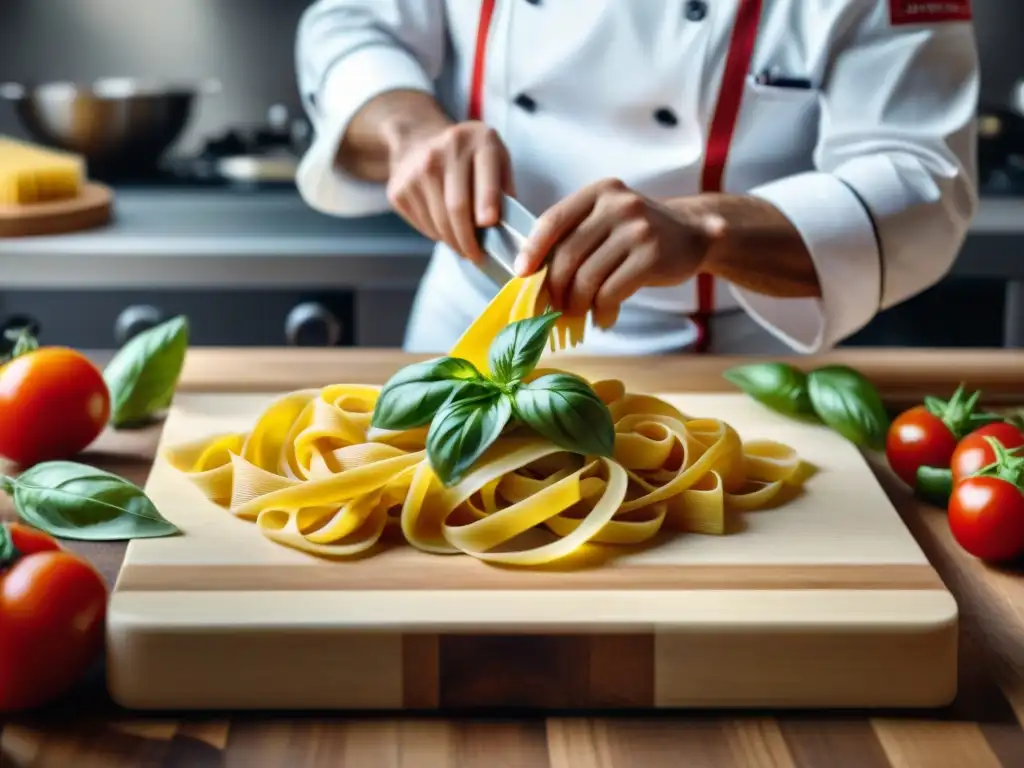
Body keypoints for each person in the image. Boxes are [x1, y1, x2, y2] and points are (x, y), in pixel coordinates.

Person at [294, 0, 979, 356]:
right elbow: (348, 25)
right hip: (472, 328)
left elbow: (921, 180)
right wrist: (408, 131)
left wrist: (705, 229)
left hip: (727, 365)